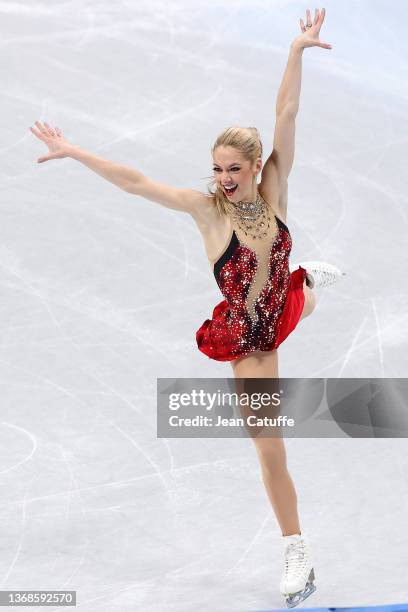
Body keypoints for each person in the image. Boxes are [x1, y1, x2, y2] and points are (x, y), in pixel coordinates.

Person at [30, 7, 342, 607]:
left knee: (290, 298)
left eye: (235, 168)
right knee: (269, 445)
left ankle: (303, 290)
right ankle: (296, 549)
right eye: (218, 169)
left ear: (257, 167)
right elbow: (137, 182)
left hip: (279, 303)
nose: (224, 178)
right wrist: (76, 152)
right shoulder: (208, 211)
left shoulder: (275, 189)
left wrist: (296, 51)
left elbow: (286, 114)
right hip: (251, 336)